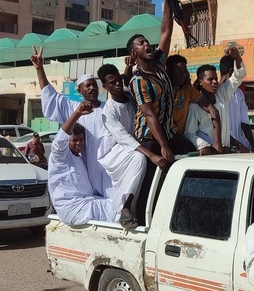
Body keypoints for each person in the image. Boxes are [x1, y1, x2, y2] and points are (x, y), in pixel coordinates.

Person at [31, 46, 111, 197]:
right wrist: (39, 69)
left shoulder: (108, 108)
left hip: (107, 168)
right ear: (79, 90)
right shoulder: (73, 108)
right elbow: (51, 96)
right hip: (83, 169)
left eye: (94, 84)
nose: (92, 87)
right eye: (88, 85)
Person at [128, 0, 192, 161]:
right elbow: (150, 115)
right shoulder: (138, 81)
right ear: (135, 53)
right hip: (149, 138)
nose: (146, 44)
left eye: (147, 41)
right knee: (155, 178)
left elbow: (166, 32)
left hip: (168, 134)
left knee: (192, 155)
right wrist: (164, 146)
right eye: (141, 43)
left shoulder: (159, 64)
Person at [96, 63, 159, 227]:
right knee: (139, 158)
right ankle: (124, 207)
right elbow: (123, 138)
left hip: (133, 145)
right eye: (112, 83)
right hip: (114, 151)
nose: (117, 85)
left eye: (118, 80)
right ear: (105, 87)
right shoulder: (108, 111)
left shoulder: (131, 98)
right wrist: (151, 155)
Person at [48, 102, 116, 225]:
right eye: (74, 140)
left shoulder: (79, 158)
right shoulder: (60, 157)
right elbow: (60, 140)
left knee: (116, 203)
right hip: (73, 208)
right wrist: (77, 113)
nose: (79, 143)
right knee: (116, 210)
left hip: (86, 203)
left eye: (81, 140)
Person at [184, 51, 247, 153]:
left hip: (225, 153)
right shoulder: (194, 106)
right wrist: (203, 146)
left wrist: (237, 58)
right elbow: (189, 133)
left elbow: (238, 76)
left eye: (216, 79)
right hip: (209, 155)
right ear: (200, 82)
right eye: (210, 79)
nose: (214, 82)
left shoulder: (222, 94)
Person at [220, 48, 254, 153]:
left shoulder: (238, 93)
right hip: (226, 147)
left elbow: (244, 123)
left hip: (241, 146)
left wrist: (253, 146)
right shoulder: (218, 93)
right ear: (232, 71)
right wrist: (241, 146)